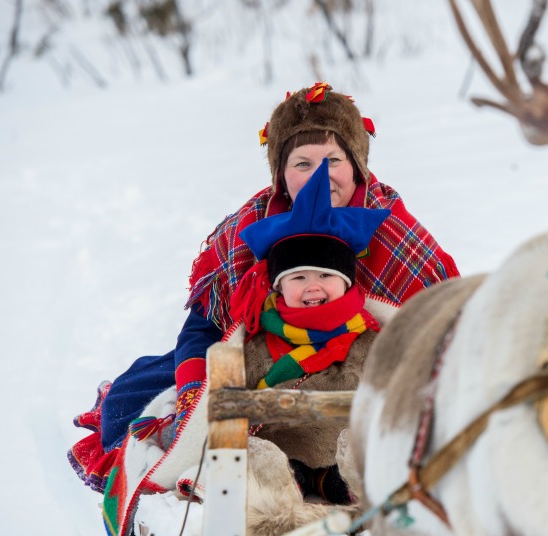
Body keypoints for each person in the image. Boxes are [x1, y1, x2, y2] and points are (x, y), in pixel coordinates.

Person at [68, 82, 459, 493]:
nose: (320, 176)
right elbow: (203, 327)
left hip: (359, 369)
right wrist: (194, 391)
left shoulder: (391, 230)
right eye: (303, 163)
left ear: (357, 164)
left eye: (334, 160)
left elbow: (442, 326)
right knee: (131, 403)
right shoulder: (250, 225)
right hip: (263, 358)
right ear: (280, 172)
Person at [234, 157, 387, 536]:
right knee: (259, 460)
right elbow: (228, 407)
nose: (312, 286)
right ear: (279, 289)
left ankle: (367, 499)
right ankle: (280, 508)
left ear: (347, 282)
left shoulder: (369, 340)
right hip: (287, 462)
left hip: (346, 465)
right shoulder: (256, 344)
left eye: (326, 276)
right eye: (298, 277)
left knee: (368, 444)